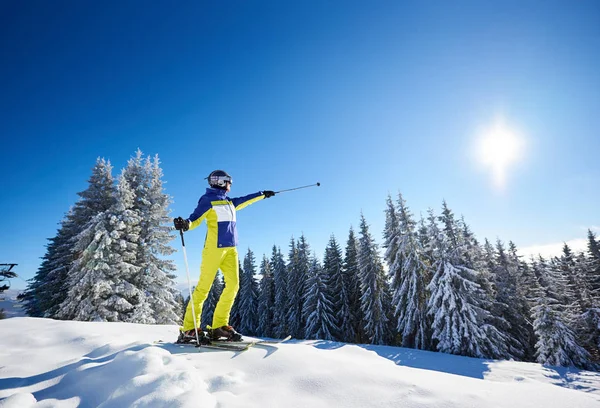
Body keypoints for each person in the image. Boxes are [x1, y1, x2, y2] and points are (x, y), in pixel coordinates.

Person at [174, 169, 275, 344]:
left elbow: (245, 200)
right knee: (203, 289)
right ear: (220, 182)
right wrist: (186, 224)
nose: (230, 184)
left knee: (233, 286)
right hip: (214, 249)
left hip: (231, 250)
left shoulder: (229, 202)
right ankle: (189, 329)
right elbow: (195, 219)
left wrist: (262, 194)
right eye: (229, 181)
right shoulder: (208, 200)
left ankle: (218, 326)